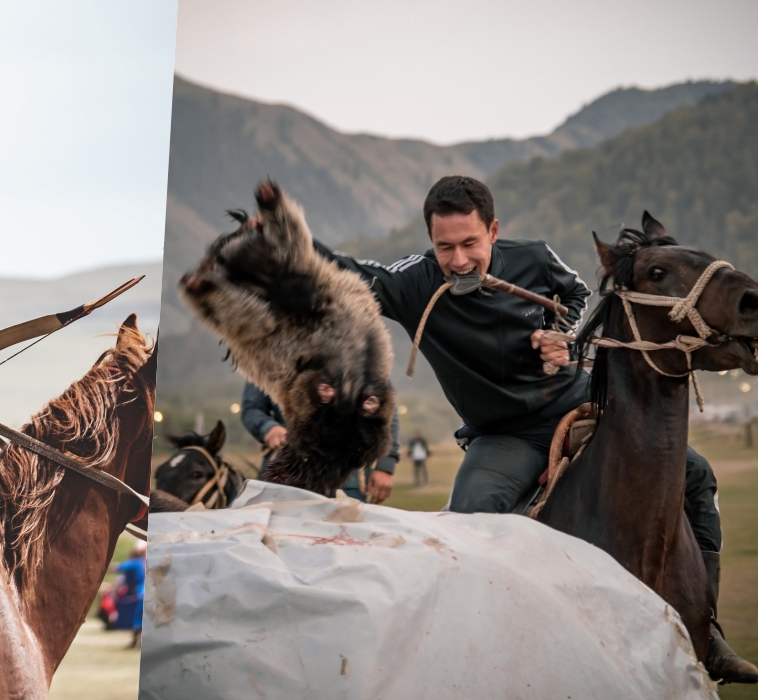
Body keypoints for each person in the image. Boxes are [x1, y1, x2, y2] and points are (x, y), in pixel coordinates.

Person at [313, 174, 752, 681]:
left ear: (493, 231)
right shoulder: (414, 282)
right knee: (469, 519)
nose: (458, 260)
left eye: (470, 244)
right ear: (431, 241)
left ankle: (708, 633)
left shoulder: (537, 258)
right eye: (444, 246)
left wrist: (559, 333)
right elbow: (347, 273)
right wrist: (288, 239)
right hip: (505, 437)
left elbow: (579, 292)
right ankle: (471, 659)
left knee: (696, 476)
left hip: (578, 405)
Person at [241, 380, 399, 503]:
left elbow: (386, 410)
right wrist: (268, 428)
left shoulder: (361, 350)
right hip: (286, 473)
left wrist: (385, 465)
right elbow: (252, 408)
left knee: (345, 538)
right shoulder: (268, 353)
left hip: (347, 478)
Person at [115, 541, 147, 648]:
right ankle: (137, 641)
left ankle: (136, 642)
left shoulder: (134, 562)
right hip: (143, 591)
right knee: (141, 618)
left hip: (136, 592)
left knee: (136, 618)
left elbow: (118, 567)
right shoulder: (143, 562)